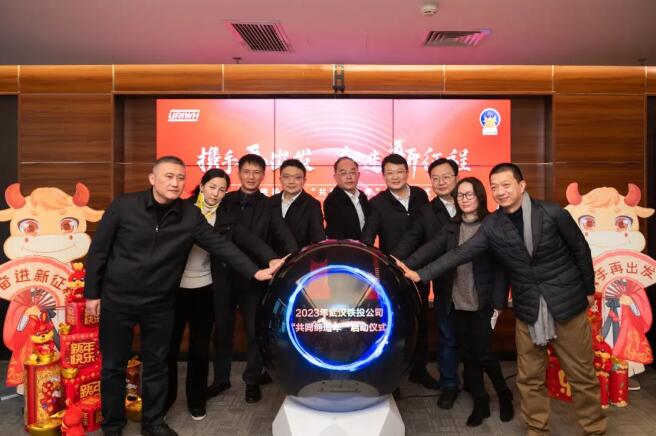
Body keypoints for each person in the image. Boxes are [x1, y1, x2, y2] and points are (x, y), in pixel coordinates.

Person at [398, 163, 606, 435]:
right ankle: (537, 429)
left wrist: (588, 290)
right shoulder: (493, 224)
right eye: (495, 186)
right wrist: (420, 274)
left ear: (521, 185)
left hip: (566, 303)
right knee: (529, 377)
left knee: (581, 375)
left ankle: (595, 429)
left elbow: (580, 250)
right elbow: (461, 253)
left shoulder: (552, 212)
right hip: (528, 307)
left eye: (506, 185)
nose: (500, 191)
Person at [84, 156, 278, 436]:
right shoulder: (123, 206)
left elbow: (220, 245)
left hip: (160, 302)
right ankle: (112, 425)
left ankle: (152, 422)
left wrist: (255, 272)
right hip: (118, 299)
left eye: (180, 178)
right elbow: (99, 250)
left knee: (157, 365)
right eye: (168, 176)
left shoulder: (190, 214)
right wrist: (92, 294)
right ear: (152, 178)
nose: (175, 183)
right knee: (114, 366)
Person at [396, 177, 514, 426]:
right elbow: (430, 249)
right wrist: (402, 264)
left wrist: (499, 302)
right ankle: (481, 403)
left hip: (482, 301)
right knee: (468, 354)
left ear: (480, 196)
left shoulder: (493, 225)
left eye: (469, 194)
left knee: (484, 354)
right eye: (460, 195)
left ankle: (504, 394)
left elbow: (502, 268)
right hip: (457, 299)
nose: (464, 199)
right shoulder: (452, 226)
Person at [164, 169, 279, 420]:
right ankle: (164, 399)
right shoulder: (181, 210)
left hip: (205, 287)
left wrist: (270, 259)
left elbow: (244, 241)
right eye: (212, 187)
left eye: (222, 189)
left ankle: (196, 400)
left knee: (199, 347)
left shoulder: (226, 216)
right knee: (168, 348)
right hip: (173, 288)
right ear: (201, 186)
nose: (216, 193)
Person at [209, 154, 298, 404]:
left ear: (263, 176)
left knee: (254, 330)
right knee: (222, 330)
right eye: (247, 171)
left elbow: (282, 231)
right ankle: (221, 379)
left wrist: (294, 255)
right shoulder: (224, 199)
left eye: (257, 172)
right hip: (224, 275)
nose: (251, 176)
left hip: (255, 279)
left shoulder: (269, 205)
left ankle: (252, 380)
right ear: (239, 173)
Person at [392, 158, 459, 399]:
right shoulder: (427, 211)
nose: (441, 182)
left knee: (474, 337)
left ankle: (475, 383)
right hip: (444, 280)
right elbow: (414, 239)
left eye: (446, 177)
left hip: (475, 282)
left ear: (457, 178)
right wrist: (393, 262)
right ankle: (449, 384)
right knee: (447, 334)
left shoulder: (470, 202)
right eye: (435, 178)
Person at [271, 159, 325, 252]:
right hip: (270, 259)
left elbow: (318, 239)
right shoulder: (270, 202)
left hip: (299, 258)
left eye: (297, 177)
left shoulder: (312, 205)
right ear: (280, 179)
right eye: (286, 177)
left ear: (304, 181)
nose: (291, 181)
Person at [323, 156, 370, 240]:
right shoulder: (332, 201)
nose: (349, 177)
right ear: (335, 177)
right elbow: (337, 235)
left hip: (364, 246)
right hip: (344, 247)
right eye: (343, 173)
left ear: (358, 175)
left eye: (352, 172)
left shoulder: (362, 196)